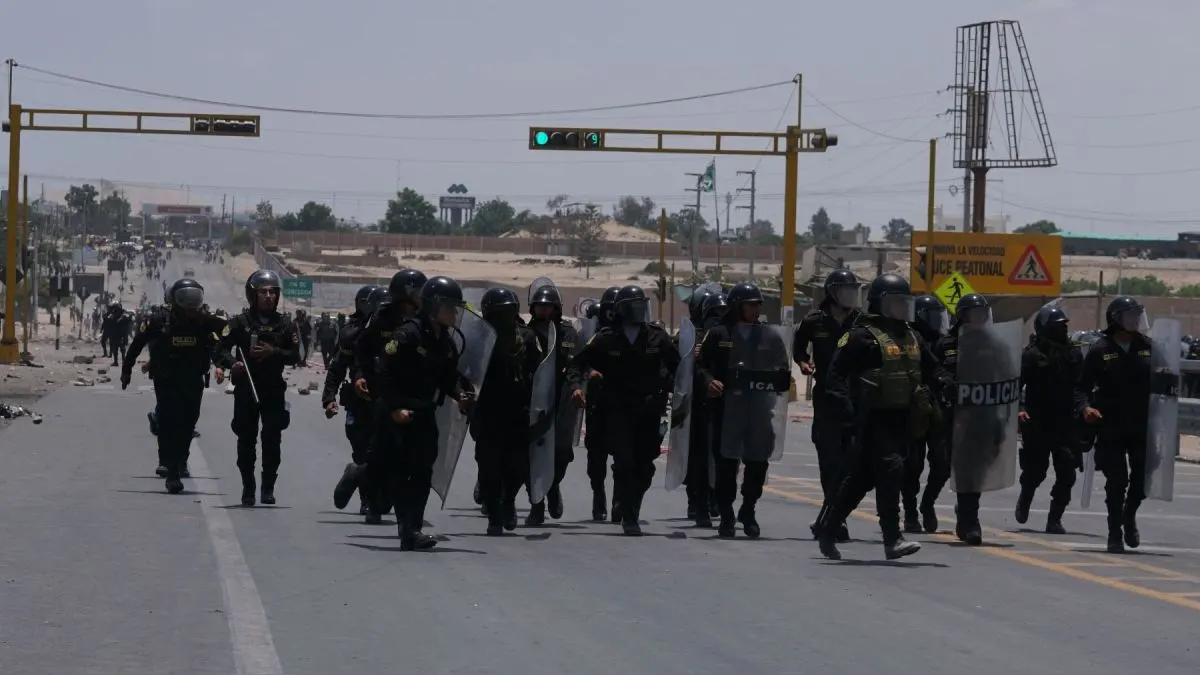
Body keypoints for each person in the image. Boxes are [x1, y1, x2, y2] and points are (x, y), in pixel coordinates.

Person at [817, 274, 948, 560]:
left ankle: (828, 528)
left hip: (904, 420)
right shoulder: (860, 337)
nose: (904, 307)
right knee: (891, 469)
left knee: (861, 480)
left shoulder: (913, 336)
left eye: (906, 302)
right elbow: (835, 378)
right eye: (898, 302)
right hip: (871, 418)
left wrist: (949, 384)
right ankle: (892, 537)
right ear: (883, 304)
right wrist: (847, 414)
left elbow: (933, 369)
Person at [373, 276, 474, 550]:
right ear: (433, 306)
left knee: (422, 472)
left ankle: (411, 530)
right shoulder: (407, 334)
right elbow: (382, 370)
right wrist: (394, 408)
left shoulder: (446, 342)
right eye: (450, 307)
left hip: (424, 413)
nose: (454, 314)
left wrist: (460, 395)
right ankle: (360, 478)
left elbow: (448, 377)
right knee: (389, 470)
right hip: (396, 412)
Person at [573, 285, 680, 535]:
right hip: (618, 410)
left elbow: (678, 368)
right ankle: (628, 515)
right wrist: (577, 387)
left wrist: (683, 389)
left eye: (642, 304)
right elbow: (578, 363)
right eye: (634, 305)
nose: (640, 310)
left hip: (649, 410)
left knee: (645, 466)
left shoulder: (658, 337)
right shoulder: (606, 338)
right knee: (624, 461)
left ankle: (630, 504)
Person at [696, 282, 790, 538]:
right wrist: (709, 381)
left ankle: (748, 509)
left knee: (757, 462)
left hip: (760, 410)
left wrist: (783, 378)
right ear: (738, 306)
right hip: (726, 410)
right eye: (750, 304)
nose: (755, 309)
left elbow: (782, 367)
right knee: (726, 464)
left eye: (758, 304)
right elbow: (700, 366)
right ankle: (726, 514)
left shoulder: (769, 336)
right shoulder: (718, 334)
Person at [122, 279, 226, 494]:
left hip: (193, 380)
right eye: (186, 302)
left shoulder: (204, 321)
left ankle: (180, 459)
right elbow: (137, 343)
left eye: (194, 302)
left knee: (189, 423)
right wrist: (126, 369)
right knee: (170, 422)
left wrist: (225, 363)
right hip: (166, 379)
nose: (191, 307)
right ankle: (172, 472)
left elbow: (224, 338)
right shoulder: (159, 321)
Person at [215, 270, 302, 506]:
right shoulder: (239, 323)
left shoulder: (286, 324)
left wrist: (273, 352)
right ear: (252, 295)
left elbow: (295, 356)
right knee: (246, 441)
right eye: (263, 292)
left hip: (273, 390)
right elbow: (219, 348)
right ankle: (248, 487)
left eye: (273, 292)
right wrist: (232, 364)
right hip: (246, 389)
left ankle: (268, 487)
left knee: (272, 439)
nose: (269, 297)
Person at [1075, 296, 1153, 553]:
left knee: (1141, 481)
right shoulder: (1100, 350)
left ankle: (1129, 517)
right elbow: (1081, 388)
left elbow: (1165, 384)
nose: (1135, 320)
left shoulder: (1148, 347)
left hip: (1141, 426)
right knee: (1116, 480)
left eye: (1137, 315)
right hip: (1111, 426)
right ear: (1116, 318)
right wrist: (1086, 408)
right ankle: (1114, 532)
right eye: (1129, 315)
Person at [795, 269, 862, 541]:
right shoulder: (814, 321)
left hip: (856, 400)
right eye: (846, 290)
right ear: (832, 292)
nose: (851, 295)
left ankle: (833, 516)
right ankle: (834, 517)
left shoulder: (862, 321)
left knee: (852, 462)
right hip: (826, 400)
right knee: (829, 460)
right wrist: (802, 362)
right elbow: (799, 348)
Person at [472, 287, 541, 534]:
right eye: (499, 312)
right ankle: (494, 513)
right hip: (488, 412)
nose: (504, 317)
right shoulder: (479, 338)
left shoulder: (528, 337)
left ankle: (508, 500)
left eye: (508, 312)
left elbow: (540, 374)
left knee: (518, 466)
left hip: (518, 412)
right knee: (488, 466)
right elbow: (466, 371)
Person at [1016, 305, 1084, 534]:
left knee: (1067, 473)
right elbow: (1017, 385)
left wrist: (1085, 409)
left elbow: (1081, 386)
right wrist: (1020, 408)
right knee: (1036, 471)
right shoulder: (1032, 354)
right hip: (1037, 421)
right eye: (1057, 326)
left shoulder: (1073, 353)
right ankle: (1026, 497)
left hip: (1065, 422)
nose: (1063, 330)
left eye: (1064, 325)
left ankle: (1054, 518)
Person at [322, 285, 378, 515]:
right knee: (363, 451)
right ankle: (367, 501)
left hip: (389, 400)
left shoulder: (398, 331)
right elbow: (337, 369)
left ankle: (360, 476)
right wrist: (329, 398)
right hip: (359, 402)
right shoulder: (352, 333)